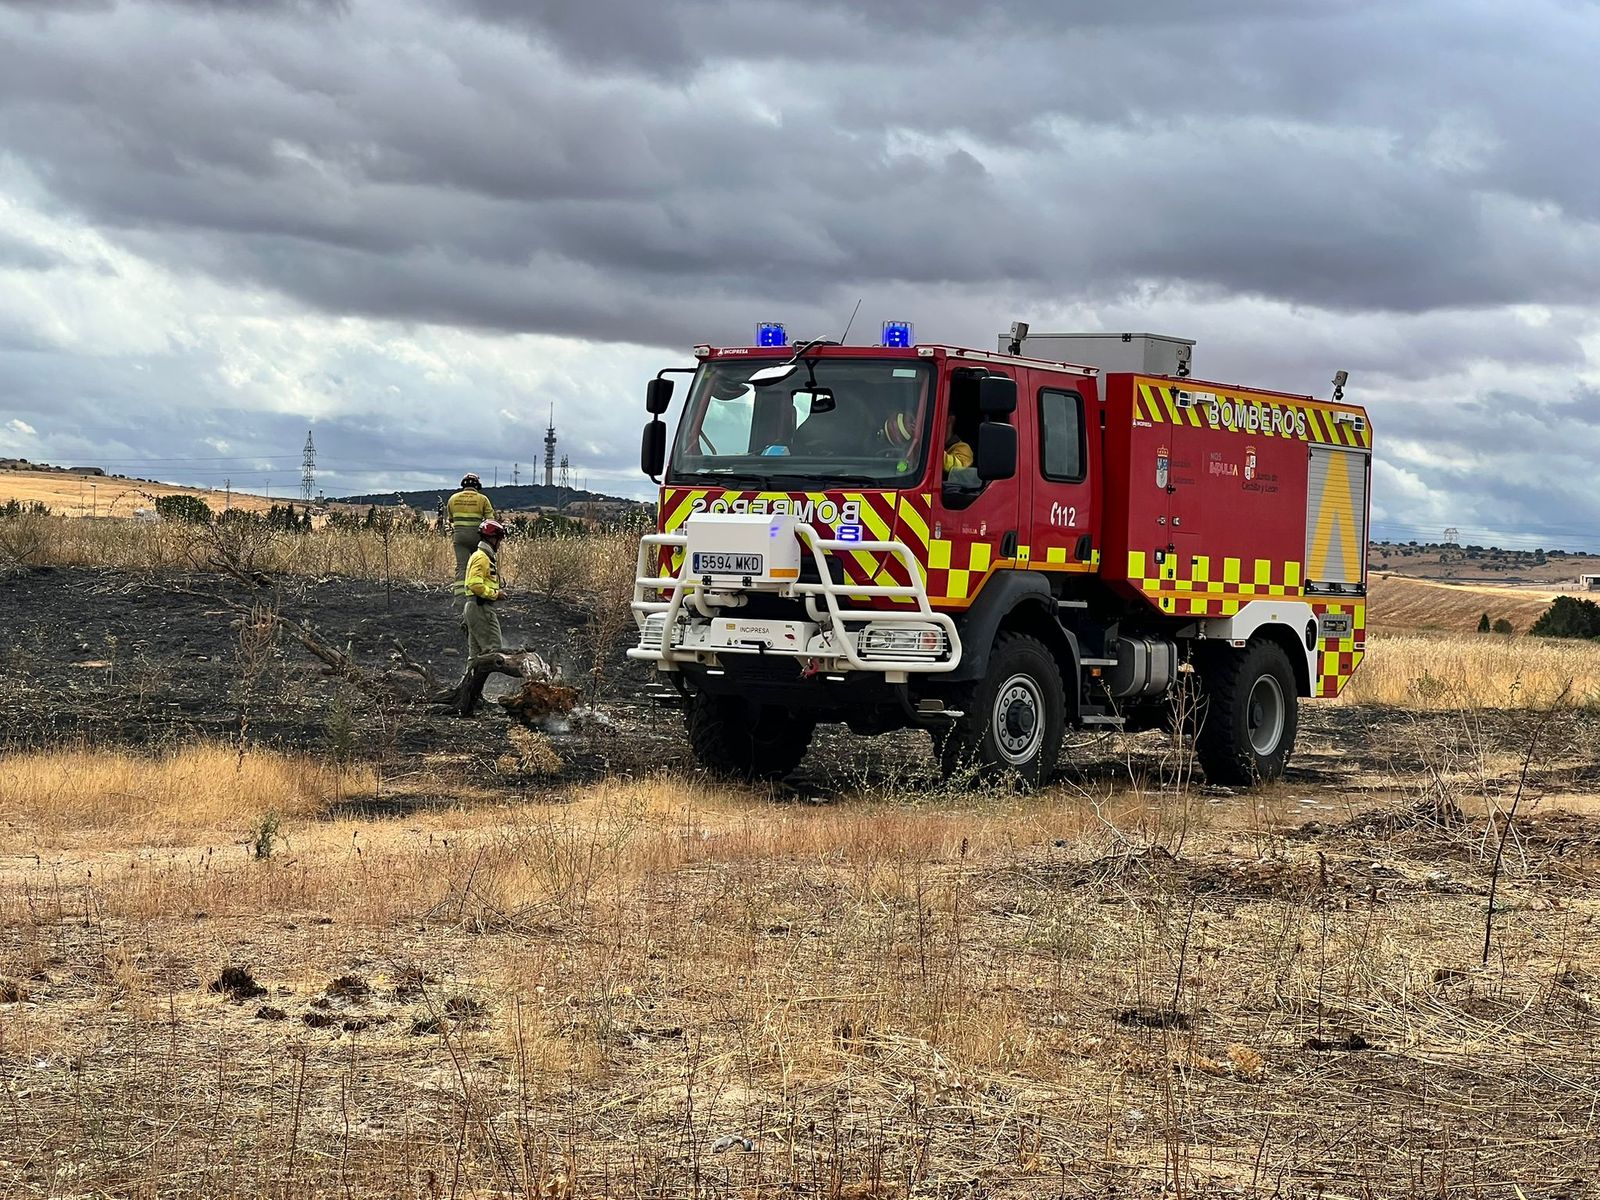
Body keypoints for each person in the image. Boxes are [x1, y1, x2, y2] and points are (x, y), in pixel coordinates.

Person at [463, 519, 506, 662]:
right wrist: (496, 594)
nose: (499, 544)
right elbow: (475, 585)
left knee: (475, 655)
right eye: (499, 540)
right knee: (493, 651)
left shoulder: (481, 556)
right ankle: (489, 678)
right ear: (492, 538)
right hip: (481, 608)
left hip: (475, 607)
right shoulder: (482, 558)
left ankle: (470, 677)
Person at [445, 473, 494, 587]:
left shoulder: (453, 498)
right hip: (478, 538)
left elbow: (451, 519)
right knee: (479, 565)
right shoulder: (483, 499)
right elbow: (490, 521)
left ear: (463, 485)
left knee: (462, 566)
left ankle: (460, 594)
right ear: (477, 486)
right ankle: (478, 589)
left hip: (460, 537)